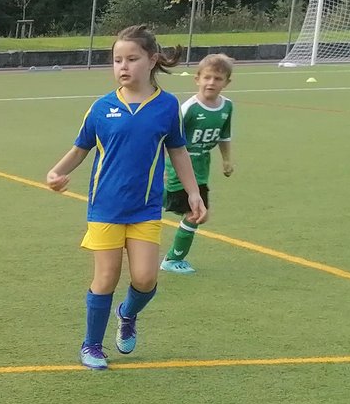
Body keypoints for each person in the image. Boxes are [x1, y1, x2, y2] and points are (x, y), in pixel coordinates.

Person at [44, 25, 206, 371]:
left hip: (145, 208)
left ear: (152, 60)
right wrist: (56, 173)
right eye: (118, 60)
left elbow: (178, 151)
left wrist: (193, 193)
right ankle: (91, 345)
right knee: (106, 277)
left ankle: (127, 313)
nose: (123, 66)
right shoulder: (102, 107)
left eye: (132, 59)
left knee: (145, 278)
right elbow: (80, 148)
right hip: (105, 207)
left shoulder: (167, 106)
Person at [162, 53, 236, 275]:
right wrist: (164, 167)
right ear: (197, 79)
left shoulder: (227, 107)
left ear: (227, 82)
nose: (211, 82)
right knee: (195, 214)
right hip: (180, 168)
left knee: (194, 212)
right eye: (207, 77)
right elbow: (170, 139)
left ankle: (144, 196)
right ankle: (172, 259)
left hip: (202, 169)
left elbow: (224, 135)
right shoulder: (189, 109)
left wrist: (226, 159)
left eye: (217, 78)